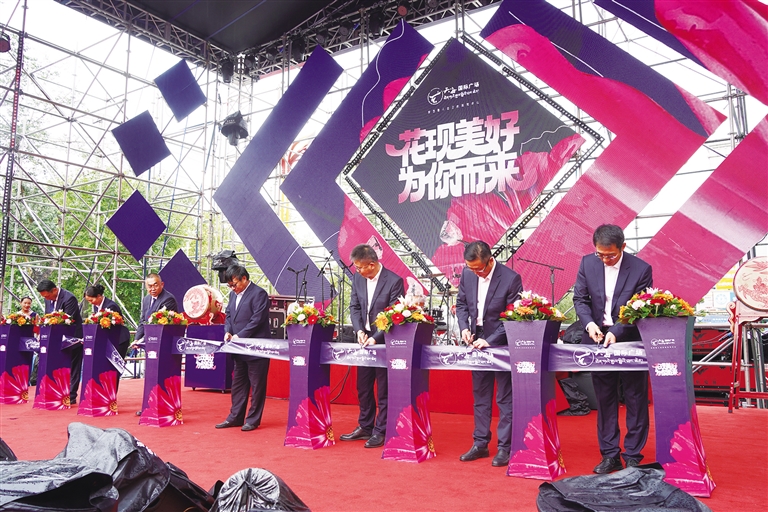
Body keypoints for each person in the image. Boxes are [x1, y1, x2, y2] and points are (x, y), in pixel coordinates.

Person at [573, 224, 653, 474]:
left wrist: (616, 331)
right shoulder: (587, 263)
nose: (605, 260)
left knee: (635, 397)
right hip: (597, 339)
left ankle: (633, 456)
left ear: (623, 247)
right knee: (605, 398)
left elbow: (639, 306)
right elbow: (580, 299)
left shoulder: (641, 269)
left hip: (629, 339)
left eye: (611, 255)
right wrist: (589, 325)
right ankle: (610, 455)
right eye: (600, 254)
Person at [456, 241, 523, 467]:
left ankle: (505, 447)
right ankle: (480, 443)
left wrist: (490, 340)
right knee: (481, 395)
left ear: (491, 260)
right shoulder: (467, 274)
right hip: (476, 339)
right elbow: (461, 304)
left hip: (501, 342)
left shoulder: (511, 278)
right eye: (471, 268)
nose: (475, 273)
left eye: (479, 269)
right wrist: (464, 328)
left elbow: (512, 317)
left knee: (505, 397)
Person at [340, 244, 405, 449]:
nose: (357, 270)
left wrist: (376, 338)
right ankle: (365, 426)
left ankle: (381, 430)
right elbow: (354, 306)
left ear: (372, 264)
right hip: (364, 340)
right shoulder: (358, 279)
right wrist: (359, 330)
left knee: (383, 388)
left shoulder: (394, 281)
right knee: (363, 386)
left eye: (359, 267)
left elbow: (393, 315)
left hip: (384, 341)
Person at [215, 265, 271, 432]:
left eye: (234, 284)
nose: (232, 288)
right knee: (238, 385)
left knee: (257, 386)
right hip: (238, 348)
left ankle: (252, 420)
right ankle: (235, 417)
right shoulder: (233, 294)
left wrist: (240, 335)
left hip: (256, 348)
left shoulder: (259, 293)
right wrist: (228, 331)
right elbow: (229, 316)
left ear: (244, 278)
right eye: (229, 286)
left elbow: (257, 320)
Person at [133, 273, 178, 416]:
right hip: (151, 345)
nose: (152, 288)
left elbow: (161, 323)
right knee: (150, 375)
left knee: (162, 376)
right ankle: (149, 406)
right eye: (149, 286)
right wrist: (137, 339)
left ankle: (163, 406)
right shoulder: (146, 299)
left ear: (162, 284)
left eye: (155, 285)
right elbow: (143, 321)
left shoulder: (168, 299)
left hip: (164, 345)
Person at [36, 279, 84, 405]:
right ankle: (57, 391)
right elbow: (47, 316)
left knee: (73, 367)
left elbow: (67, 320)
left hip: (72, 337)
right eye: (44, 297)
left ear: (54, 290)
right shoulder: (47, 299)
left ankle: (71, 395)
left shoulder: (69, 298)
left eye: (47, 296)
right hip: (56, 338)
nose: (46, 299)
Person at [84, 284, 131, 359]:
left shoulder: (111, 306)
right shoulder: (96, 307)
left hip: (119, 339)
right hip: (108, 340)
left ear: (99, 296)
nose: (90, 303)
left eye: (91, 300)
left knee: (116, 363)